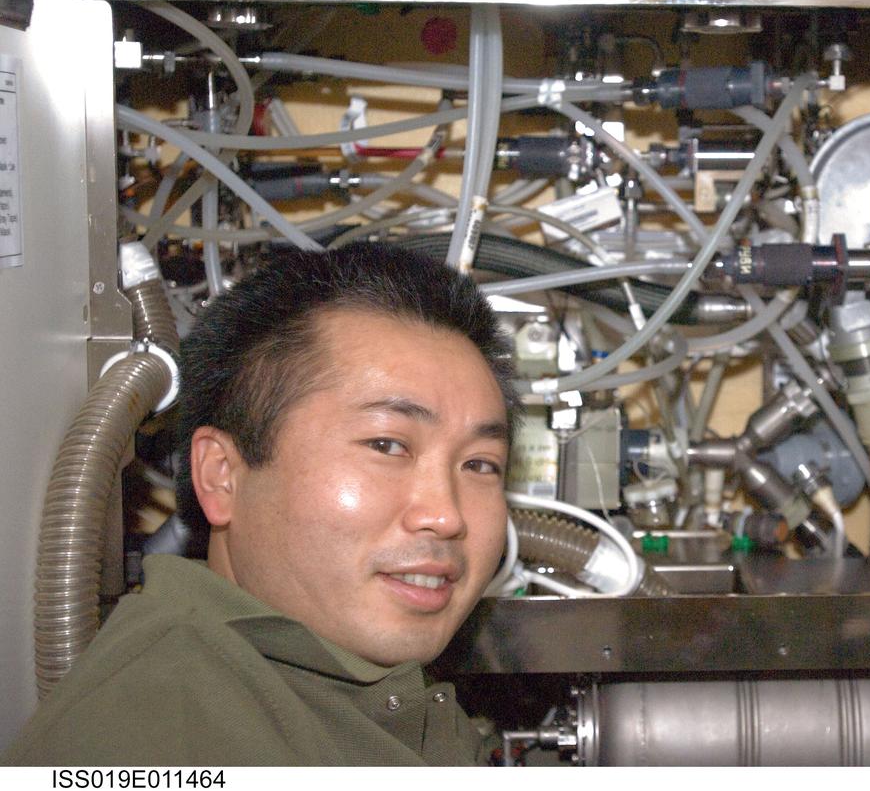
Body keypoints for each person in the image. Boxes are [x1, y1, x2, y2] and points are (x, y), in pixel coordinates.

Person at [4, 243, 520, 766]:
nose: (446, 515)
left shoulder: (338, 692)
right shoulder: (152, 739)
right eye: (386, 445)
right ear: (221, 475)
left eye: (480, 464)